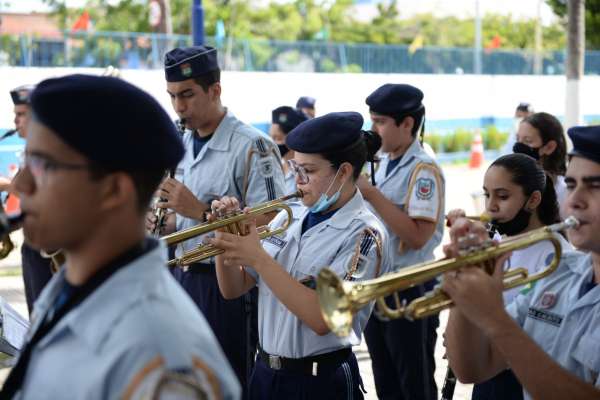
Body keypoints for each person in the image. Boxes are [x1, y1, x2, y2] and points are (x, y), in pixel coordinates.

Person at [0, 74, 240, 399]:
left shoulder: (163, 361)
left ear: (113, 190)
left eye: (44, 165)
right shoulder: (67, 291)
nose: (21, 185)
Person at [210, 112, 389, 399]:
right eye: (295, 168)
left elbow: (323, 317)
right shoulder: (289, 216)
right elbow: (233, 288)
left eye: (309, 171)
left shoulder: (365, 233)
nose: (298, 181)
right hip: (266, 372)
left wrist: (259, 258)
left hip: (318, 380)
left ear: (343, 172)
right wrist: (225, 236)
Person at [150, 45, 286, 396]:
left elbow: (275, 219)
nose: (179, 107)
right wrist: (161, 222)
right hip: (182, 276)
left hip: (227, 287)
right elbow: (179, 222)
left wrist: (197, 210)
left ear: (215, 90)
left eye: (188, 95)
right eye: (173, 96)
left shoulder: (253, 146)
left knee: (228, 384)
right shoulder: (180, 140)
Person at [443, 125, 600, 400]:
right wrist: (463, 286)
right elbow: (472, 368)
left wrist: (493, 317)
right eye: (572, 185)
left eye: (594, 187)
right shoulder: (560, 275)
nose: (574, 200)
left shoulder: (553, 260)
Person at [355, 83, 444, 400]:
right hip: (378, 284)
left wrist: (371, 194)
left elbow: (418, 237)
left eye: (380, 122)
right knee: (386, 382)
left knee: (414, 384)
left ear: (407, 124)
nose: (373, 129)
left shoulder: (423, 169)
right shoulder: (382, 162)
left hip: (409, 287)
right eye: (372, 120)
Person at [9, 84, 54, 314]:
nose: (16, 121)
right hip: (33, 247)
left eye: (21, 114)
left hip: (48, 250)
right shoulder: (30, 151)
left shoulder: (50, 150)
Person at [512, 112, 568, 214]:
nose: (519, 146)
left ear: (549, 147)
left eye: (528, 141)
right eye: (518, 139)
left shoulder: (565, 191)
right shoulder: (513, 180)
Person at [269, 106, 308, 194]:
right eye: (271, 138)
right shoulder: (278, 169)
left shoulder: (305, 173)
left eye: (277, 138)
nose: (272, 144)